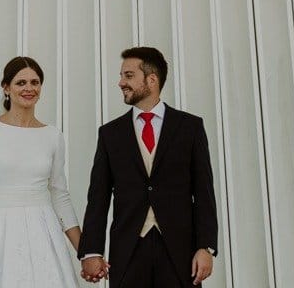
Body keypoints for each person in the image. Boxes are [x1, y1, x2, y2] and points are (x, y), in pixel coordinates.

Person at [78, 47, 218, 287]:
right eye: (122, 76)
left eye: (129, 75)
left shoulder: (190, 127)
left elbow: (204, 192)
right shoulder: (110, 134)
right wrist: (91, 251)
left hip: (180, 251)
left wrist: (205, 247)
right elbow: (98, 197)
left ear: (152, 79)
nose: (121, 82)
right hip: (128, 250)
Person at [0, 56, 87, 287]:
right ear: (6, 88)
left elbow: (60, 195)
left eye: (35, 82)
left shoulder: (52, 135)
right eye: (21, 82)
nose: (29, 88)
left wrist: (86, 253)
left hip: (43, 232)